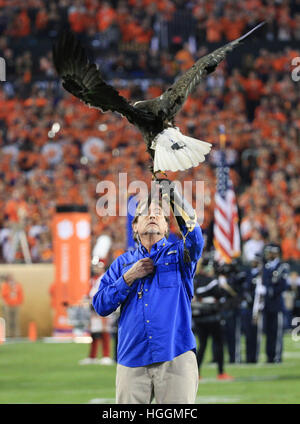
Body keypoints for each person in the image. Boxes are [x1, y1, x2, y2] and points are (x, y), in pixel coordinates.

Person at [93, 179, 204, 404]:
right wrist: (128, 278)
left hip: (175, 355)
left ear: (166, 226)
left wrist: (173, 195)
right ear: (135, 226)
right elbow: (100, 305)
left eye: (159, 213)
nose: (152, 215)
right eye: (145, 213)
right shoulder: (121, 264)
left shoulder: (181, 256)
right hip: (131, 357)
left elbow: (195, 237)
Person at [193, 266, 234, 381]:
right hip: (212, 317)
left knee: (202, 345)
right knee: (218, 344)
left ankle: (197, 373)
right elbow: (222, 294)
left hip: (199, 318)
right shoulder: (212, 281)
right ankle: (221, 372)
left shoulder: (195, 280)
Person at [79, 259, 114, 365]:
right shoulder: (93, 279)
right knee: (94, 332)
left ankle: (106, 355)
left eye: (97, 266)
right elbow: (90, 292)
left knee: (104, 331)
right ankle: (92, 356)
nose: (95, 268)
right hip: (93, 308)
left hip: (103, 307)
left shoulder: (104, 277)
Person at [262, 243, 289, 363]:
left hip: (277, 304)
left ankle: (277, 356)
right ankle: (269, 356)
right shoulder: (266, 266)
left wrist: (271, 290)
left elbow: (283, 285)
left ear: (276, 253)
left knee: (277, 332)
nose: (268, 254)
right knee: (268, 332)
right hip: (267, 304)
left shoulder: (282, 266)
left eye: (270, 252)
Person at [243, 253, 265, 363]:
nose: (253, 262)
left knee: (256, 334)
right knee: (248, 334)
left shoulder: (262, 275)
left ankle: (254, 357)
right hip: (248, 307)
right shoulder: (248, 273)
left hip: (256, 308)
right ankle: (248, 357)